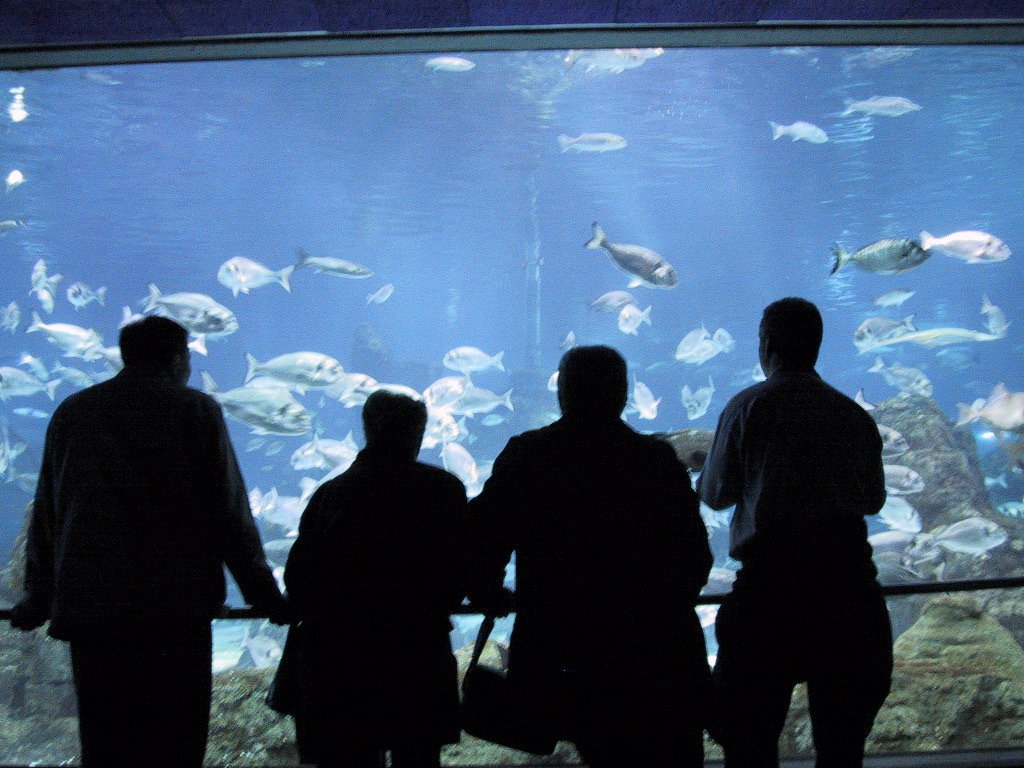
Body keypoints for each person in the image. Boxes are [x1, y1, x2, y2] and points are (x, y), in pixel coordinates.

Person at [9, 316, 288, 768]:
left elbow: (49, 513)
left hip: (94, 611)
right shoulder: (195, 411)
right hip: (173, 610)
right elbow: (229, 512)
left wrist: (37, 598)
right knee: (176, 742)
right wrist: (265, 596)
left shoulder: (74, 411)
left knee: (105, 743)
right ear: (178, 358)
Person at [469, 345, 712, 768]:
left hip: (561, 651)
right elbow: (696, 558)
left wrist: (487, 590)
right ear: (624, 394)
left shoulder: (530, 454)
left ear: (562, 392)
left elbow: (482, 541)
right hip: (651, 653)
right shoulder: (655, 461)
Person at [699, 297, 892, 768]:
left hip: (770, 593)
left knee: (748, 742)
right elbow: (873, 501)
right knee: (843, 747)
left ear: (766, 345)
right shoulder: (853, 415)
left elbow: (716, 495)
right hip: (847, 593)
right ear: (816, 347)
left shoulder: (746, 407)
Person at [284, 390, 467, 768]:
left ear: (367, 429)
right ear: (419, 432)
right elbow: (459, 570)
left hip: (340, 660)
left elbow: (298, 577)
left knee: (348, 756)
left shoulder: (330, 495)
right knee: (417, 756)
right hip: (417, 650)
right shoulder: (443, 490)